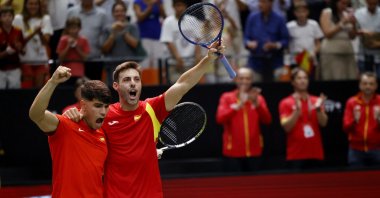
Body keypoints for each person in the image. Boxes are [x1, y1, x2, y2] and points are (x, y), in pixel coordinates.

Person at [64, 41, 225, 197]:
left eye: (136, 79)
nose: (133, 84)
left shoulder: (152, 109)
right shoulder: (104, 114)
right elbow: (82, 140)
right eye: (127, 80)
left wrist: (208, 59)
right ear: (116, 86)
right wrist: (71, 116)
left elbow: (183, 83)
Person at [29, 65, 112, 197]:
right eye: (98, 106)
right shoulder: (66, 125)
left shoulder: (104, 133)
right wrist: (53, 81)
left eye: (106, 107)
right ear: (83, 105)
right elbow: (36, 115)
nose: (103, 112)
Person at [216, 67, 272, 172]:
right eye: (241, 78)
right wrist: (238, 105)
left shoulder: (258, 98)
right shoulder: (227, 97)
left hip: (254, 151)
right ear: (236, 79)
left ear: (252, 80)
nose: (244, 81)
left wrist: (257, 104)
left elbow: (267, 120)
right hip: (232, 152)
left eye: (248, 78)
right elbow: (220, 119)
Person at [279, 68, 328, 170]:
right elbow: (287, 127)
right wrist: (297, 111)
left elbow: (323, 123)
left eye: (305, 78)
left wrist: (318, 109)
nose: (303, 81)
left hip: (315, 153)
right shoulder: (285, 102)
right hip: (295, 154)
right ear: (293, 82)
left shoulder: (316, 101)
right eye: (299, 78)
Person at [244, 0, 289, 82]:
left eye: (264, 2)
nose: (260, 4)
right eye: (260, 2)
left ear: (271, 3)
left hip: (275, 62)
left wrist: (275, 45)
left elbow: (286, 41)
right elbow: (246, 38)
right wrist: (249, 43)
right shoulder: (252, 17)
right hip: (256, 62)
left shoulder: (280, 18)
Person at [12, 0, 53, 88]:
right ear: (25, 5)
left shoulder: (45, 18)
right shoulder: (18, 18)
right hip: (25, 60)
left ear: (39, 5)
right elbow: (17, 42)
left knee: (38, 92)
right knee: (27, 91)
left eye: (35, 4)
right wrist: (34, 33)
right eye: (30, 4)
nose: (33, 6)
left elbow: (46, 42)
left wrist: (40, 33)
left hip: (41, 60)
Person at [343, 72, 380, 167]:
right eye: (365, 83)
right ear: (360, 85)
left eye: (371, 84)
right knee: (356, 181)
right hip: (356, 150)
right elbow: (345, 128)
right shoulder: (352, 102)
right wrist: (354, 120)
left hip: (377, 149)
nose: (368, 86)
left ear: (376, 86)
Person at [101, 1, 142, 86]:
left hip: (130, 67)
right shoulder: (107, 28)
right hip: (112, 68)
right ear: (113, 13)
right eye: (116, 11)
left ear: (125, 12)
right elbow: (104, 49)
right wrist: (113, 33)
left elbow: (135, 44)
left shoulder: (132, 27)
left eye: (121, 11)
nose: (119, 13)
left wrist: (123, 31)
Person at [159, 0, 201, 83]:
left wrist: (197, 58)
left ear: (185, 7)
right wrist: (178, 58)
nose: (180, 8)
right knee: (175, 90)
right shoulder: (168, 22)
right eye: (178, 5)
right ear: (173, 7)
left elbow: (197, 41)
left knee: (192, 90)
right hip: (174, 64)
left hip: (191, 64)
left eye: (182, 5)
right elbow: (168, 42)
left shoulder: (193, 20)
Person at [67, 0, 107, 80]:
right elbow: (65, 33)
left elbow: (105, 36)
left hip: (95, 60)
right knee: (73, 91)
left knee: (94, 91)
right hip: (74, 62)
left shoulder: (102, 14)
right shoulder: (71, 12)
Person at [319, 0, 358, 80]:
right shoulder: (327, 12)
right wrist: (342, 23)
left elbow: (352, 36)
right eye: (342, 3)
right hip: (332, 50)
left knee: (351, 76)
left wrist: (354, 24)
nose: (344, 6)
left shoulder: (347, 14)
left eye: (347, 4)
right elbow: (327, 34)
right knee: (335, 77)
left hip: (347, 50)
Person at [286, 0, 324, 78]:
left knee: (311, 81)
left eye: (303, 12)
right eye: (298, 12)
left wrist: (313, 53)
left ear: (307, 12)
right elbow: (287, 44)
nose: (301, 14)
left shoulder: (314, 24)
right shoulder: (289, 26)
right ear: (295, 13)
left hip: (310, 60)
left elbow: (318, 43)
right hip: (295, 60)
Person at [57, 17, 90, 86]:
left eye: (75, 28)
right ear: (67, 29)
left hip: (79, 73)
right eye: (70, 28)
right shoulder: (63, 40)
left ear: (79, 28)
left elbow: (85, 58)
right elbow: (60, 58)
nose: (73, 31)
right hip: (65, 73)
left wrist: (76, 46)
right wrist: (68, 46)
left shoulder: (84, 40)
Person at [133, 0, 166, 68]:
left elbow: (165, 17)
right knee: (144, 63)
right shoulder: (137, 2)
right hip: (144, 37)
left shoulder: (159, 1)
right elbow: (140, 17)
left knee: (158, 63)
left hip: (157, 36)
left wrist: (159, 5)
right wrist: (150, 6)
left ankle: (158, 78)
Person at [0, 6, 24, 89]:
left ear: (13, 17)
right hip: (1, 68)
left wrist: (20, 48)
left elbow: (23, 52)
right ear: (0, 18)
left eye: (9, 15)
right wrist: (6, 52)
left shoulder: (18, 31)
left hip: (14, 67)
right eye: (4, 16)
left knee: (15, 92)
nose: (7, 18)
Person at [354, 0, 380, 76]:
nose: (372, 5)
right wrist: (361, 32)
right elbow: (354, 32)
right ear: (366, 1)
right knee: (364, 79)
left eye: (374, 3)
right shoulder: (358, 13)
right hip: (363, 54)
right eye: (370, 3)